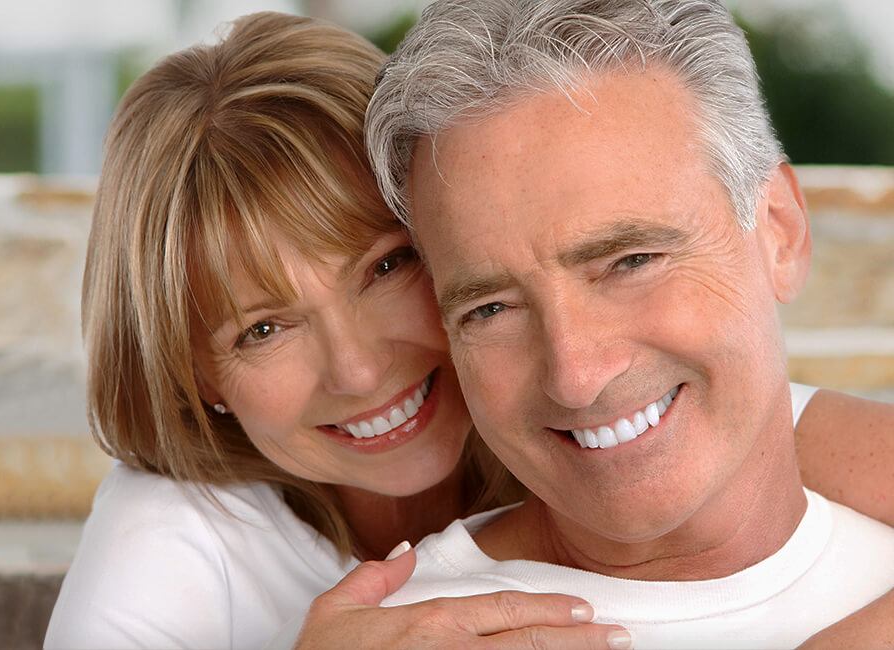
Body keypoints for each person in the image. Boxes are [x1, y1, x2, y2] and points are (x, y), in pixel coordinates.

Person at [45, 11, 894, 650]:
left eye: (384, 269)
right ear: (195, 375)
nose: (358, 366)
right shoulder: (170, 549)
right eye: (262, 328)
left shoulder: (657, 415)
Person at [346, 0, 894, 648]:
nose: (575, 376)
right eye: (490, 308)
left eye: (630, 262)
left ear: (779, 231)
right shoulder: (412, 633)